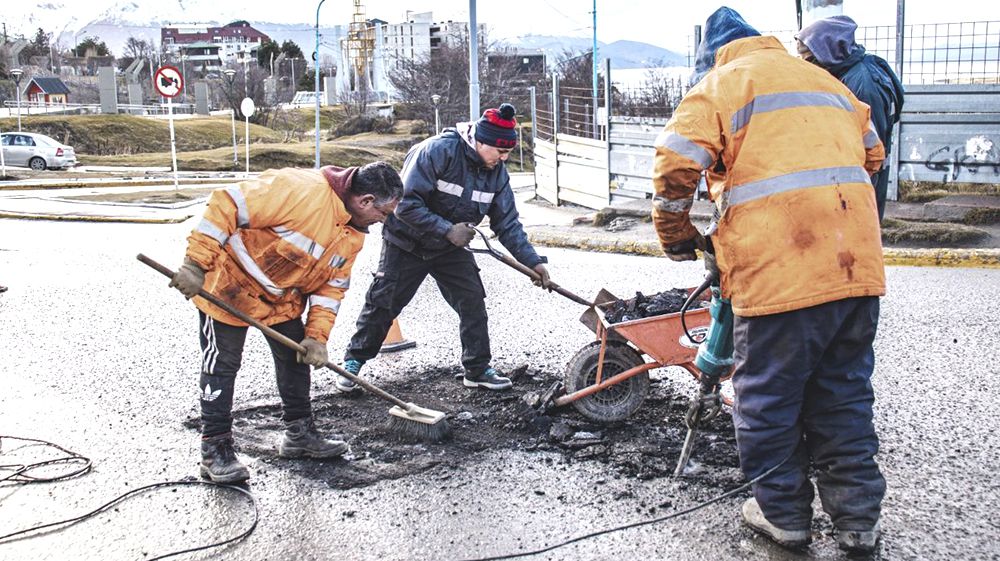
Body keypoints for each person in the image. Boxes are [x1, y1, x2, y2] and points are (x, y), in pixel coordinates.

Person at [651, 7, 887, 555]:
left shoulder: (721, 84)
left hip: (780, 276)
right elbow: (871, 154)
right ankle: (857, 519)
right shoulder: (827, 84)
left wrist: (677, 235)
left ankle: (782, 516)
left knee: (768, 399)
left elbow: (674, 167)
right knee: (844, 394)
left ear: (712, 57)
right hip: (855, 267)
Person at [169, 162, 403, 484]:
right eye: (385, 213)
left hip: (280, 299)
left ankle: (299, 436)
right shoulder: (301, 190)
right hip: (228, 286)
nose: (384, 221)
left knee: (296, 360)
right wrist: (196, 264)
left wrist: (316, 337)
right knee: (222, 365)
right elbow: (228, 202)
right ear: (365, 201)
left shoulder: (351, 233)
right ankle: (215, 451)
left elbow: (330, 288)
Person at [339, 103, 551, 393]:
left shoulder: (497, 174)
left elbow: (508, 224)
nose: (502, 159)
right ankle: (353, 363)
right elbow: (404, 204)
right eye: (499, 152)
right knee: (385, 302)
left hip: (449, 249)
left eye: (508, 153)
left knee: (472, 301)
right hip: (406, 242)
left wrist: (532, 262)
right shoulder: (438, 151)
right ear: (479, 140)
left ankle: (477, 369)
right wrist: (447, 229)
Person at [796, 15, 905, 222]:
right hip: (854, 179)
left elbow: (872, 146)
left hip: (862, 181)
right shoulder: (852, 73)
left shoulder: (862, 83)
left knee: (859, 236)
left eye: (808, 58)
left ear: (826, 52)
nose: (806, 65)